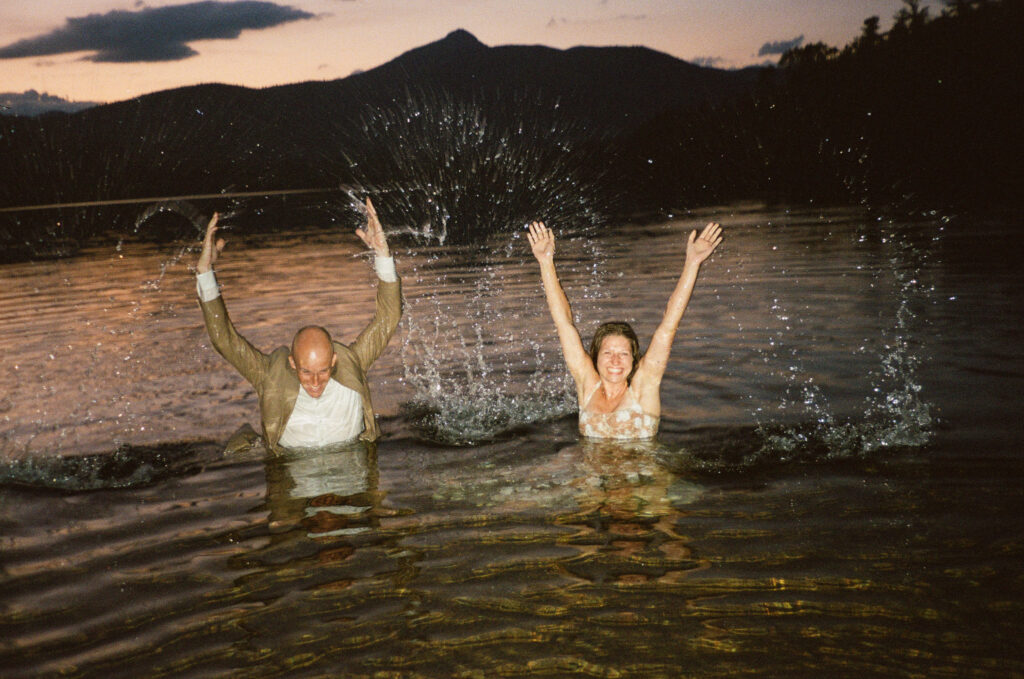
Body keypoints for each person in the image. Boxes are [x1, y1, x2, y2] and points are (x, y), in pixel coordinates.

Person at [196, 198, 402, 452]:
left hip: (353, 479)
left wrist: (382, 254)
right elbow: (224, 339)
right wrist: (205, 270)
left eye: (324, 371)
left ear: (334, 361)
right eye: (306, 372)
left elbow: (388, 318)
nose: (315, 382)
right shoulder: (270, 375)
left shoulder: (352, 362)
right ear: (292, 363)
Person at [527, 220, 722, 440]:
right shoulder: (587, 385)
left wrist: (693, 263)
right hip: (592, 470)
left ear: (634, 358)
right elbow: (564, 323)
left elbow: (668, 326)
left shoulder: (643, 385)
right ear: (595, 357)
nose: (616, 361)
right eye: (608, 353)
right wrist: (545, 262)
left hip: (641, 472)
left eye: (623, 354)